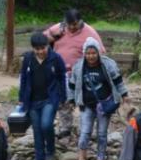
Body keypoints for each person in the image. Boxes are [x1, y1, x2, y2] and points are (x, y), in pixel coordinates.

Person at [69, 37, 129, 160]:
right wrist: (72, 100)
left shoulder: (108, 65)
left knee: (102, 133)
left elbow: (118, 80)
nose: (91, 56)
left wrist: (124, 95)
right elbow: (72, 84)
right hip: (87, 105)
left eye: (93, 53)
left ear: (98, 53)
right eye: (88, 53)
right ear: (84, 53)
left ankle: (100, 159)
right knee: (84, 132)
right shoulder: (78, 67)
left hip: (104, 105)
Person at [44, 8, 105, 138]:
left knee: (86, 101)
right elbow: (42, 40)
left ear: (80, 21)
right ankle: (66, 127)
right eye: (69, 24)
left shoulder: (89, 32)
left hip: (81, 73)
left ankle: (87, 128)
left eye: (75, 24)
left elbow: (101, 52)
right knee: (63, 101)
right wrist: (54, 36)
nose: (71, 27)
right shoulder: (60, 28)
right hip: (61, 73)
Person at [18, 32, 67, 160]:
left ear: (47, 46)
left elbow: (61, 78)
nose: (40, 51)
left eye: (43, 48)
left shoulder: (56, 58)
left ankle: (50, 150)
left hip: (50, 98)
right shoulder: (28, 58)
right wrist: (21, 98)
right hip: (32, 100)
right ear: (33, 48)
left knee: (46, 125)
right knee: (37, 130)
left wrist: (63, 97)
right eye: (37, 49)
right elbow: (24, 79)